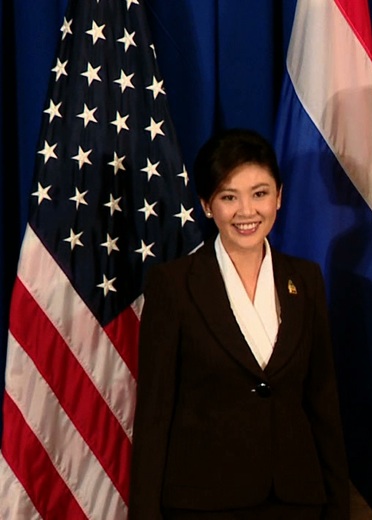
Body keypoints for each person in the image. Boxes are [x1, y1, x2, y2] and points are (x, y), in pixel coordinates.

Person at [130, 129, 349, 519]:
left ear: (279, 197)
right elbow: (154, 415)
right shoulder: (174, 285)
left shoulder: (307, 279)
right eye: (229, 197)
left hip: (296, 501)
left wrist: (337, 508)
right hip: (204, 503)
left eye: (260, 193)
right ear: (206, 205)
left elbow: (322, 403)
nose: (247, 211)